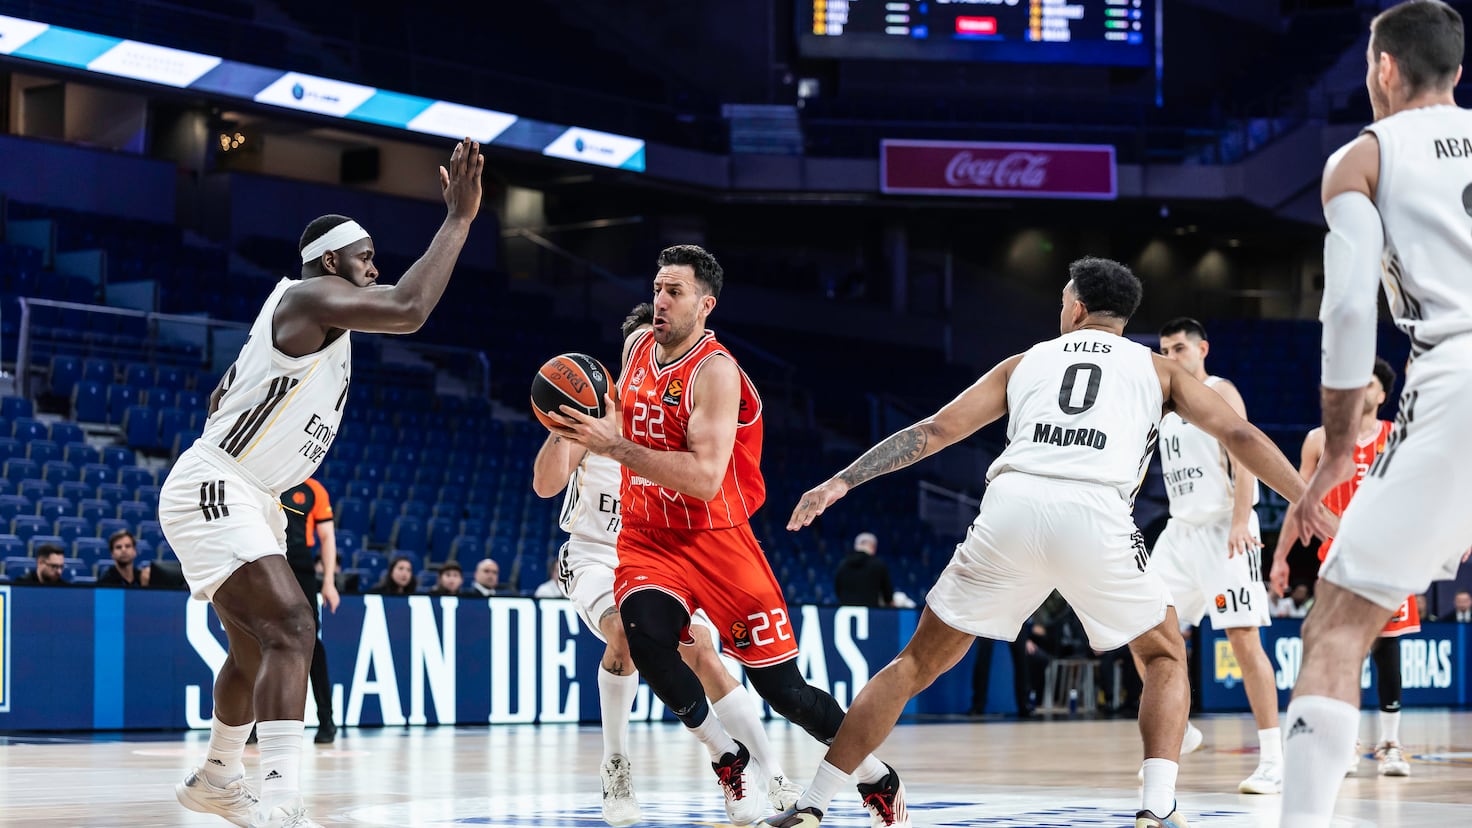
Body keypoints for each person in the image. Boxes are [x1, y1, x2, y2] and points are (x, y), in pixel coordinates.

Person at [772, 257, 1311, 828]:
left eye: (1062, 299)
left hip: (1012, 507)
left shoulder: (1025, 361)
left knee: (912, 664)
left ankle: (815, 801)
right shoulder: (1161, 371)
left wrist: (842, 481)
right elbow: (1239, 434)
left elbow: (933, 432)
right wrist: (1305, 498)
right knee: (1162, 654)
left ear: (1077, 307)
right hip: (1097, 512)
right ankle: (1156, 806)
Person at [158, 138, 482, 828]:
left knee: (255, 653)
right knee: (294, 626)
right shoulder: (310, 296)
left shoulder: (312, 319)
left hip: (250, 495)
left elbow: (226, 401)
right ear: (331, 261)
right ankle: (279, 801)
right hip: (220, 485)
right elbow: (409, 309)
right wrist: (457, 220)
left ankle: (218, 775)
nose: (377, 267)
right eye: (365, 256)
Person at [549, 245, 894, 828]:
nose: (660, 300)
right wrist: (568, 427)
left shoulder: (716, 372)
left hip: (717, 538)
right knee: (643, 635)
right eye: (657, 288)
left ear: (705, 305)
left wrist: (614, 447)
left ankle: (872, 774)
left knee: (785, 692)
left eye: (674, 292)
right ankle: (728, 758)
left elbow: (708, 480)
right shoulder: (635, 351)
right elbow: (570, 462)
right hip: (646, 538)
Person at [1273, 4, 1472, 823]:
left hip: (1456, 374)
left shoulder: (1363, 158)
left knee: (1337, 625)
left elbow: (1350, 311)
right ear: (1455, 72)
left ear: (1385, 69)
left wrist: (1335, 448)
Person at [533, 301, 801, 827]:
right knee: (626, 636)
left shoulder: (683, 422)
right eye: (644, 349)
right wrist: (560, 425)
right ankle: (617, 764)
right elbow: (545, 486)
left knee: (703, 652)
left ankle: (769, 774)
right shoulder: (597, 418)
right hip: (594, 554)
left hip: (662, 556)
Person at [1145, 317, 1282, 794]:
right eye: (1164, 349)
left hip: (1224, 528)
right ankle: (1180, 728)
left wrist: (1243, 519)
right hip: (1180, 531)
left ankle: (1274, 758)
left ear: (1203, 348)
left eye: (1179, 348)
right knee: (1140, 624)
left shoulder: (1221, 389)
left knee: (1244, 641)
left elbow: (1245, 456)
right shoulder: (1162, 404)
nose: (1171, 356)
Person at [1276, 358, 1417, 778]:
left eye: (1368, 384)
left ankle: (1390, 743)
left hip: (1388, 558)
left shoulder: (1399, 438)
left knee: (1386, 651)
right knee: (1340, 652)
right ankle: (1346, 742)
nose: (1359, 391)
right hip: (1337, 560)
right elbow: (1298, 500)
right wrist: (1281, 555)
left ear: (1381, 395)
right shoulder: (1319, 440)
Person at [279, 477, 340, 745]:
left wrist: (328, 582)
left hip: (301, 568)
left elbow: (327, 537)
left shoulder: (313, 490)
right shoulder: (266, 478)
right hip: (268, 564)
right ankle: (254, 723)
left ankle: (326, 719)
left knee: (310, 643)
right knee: (259, 642)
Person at [833, 532, 894, 608]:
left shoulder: (843, 564)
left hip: (846, 610)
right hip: (871, 613)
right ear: (873, 547)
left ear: (856, 546)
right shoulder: (879, 565)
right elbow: (888, 596)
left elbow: (837, 589)